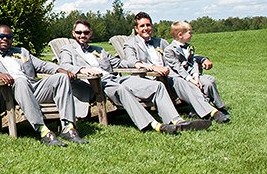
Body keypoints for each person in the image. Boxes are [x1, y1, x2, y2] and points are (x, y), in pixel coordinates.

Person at [57, 20, 209, 135]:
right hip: (95, 84)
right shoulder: (67, 49)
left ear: (90, 34)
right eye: (79, 33)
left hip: (115, 78)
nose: (82, 35)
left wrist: (138, 64)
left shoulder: (99, 49)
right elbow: (65, 66)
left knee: (156, 86)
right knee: (121, 89)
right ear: (73, 33)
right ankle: (154, 125)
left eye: (85, 32)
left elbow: (119, 63)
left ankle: (177, 121)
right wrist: (83, 69)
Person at [0, 25, 86, 147]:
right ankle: (43, 130)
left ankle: (68, 127)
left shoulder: (22, 52)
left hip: (32, 89)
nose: (5, 39)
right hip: (7, 94)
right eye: (1, 36)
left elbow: (43, 65)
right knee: (20, 80)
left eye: (8, 37)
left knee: (62, 78)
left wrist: (60, 69)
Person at [120, 12, 228, 123]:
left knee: (206, 80)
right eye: (142, 26)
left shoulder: (160, 42)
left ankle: (217, 108)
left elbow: (179, 54)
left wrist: (202, 59)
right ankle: (211, 112)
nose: (146, 28)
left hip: (172, 74)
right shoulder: (130, 44)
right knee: (180, 81)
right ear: (136, 29)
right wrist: (153, 67)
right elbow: (131, 61)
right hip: (151, 78)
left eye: (148, 25)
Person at [164, 21, 228, 116]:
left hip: (191, 75)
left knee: (208, 81)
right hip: (179, 78)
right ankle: (205, 111)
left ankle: (220, 106)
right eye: (190, 32)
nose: (192, 35)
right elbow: (177, 67)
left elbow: (193, 63)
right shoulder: (169, 50)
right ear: (180, 35)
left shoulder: (189, 47)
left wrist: (196, 76)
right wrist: (191, 80)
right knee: (193, 86)